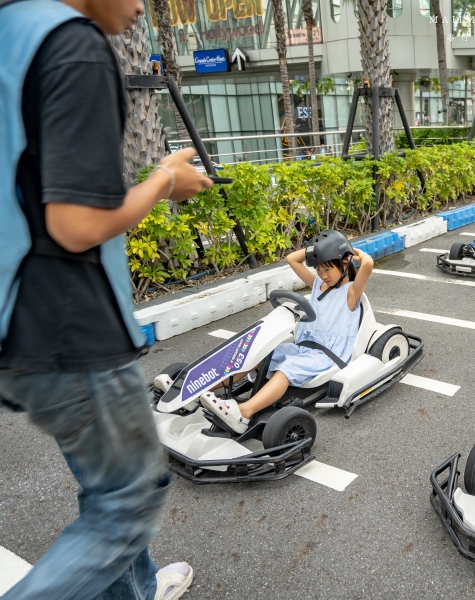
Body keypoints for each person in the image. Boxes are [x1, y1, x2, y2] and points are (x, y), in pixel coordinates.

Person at [0, 1, 214, 599]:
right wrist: (165, 181)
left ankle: (136, 591)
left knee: (106, 486)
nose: (143, 5)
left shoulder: (11, 30)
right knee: (127, 502)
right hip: (69, 327)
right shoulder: (75, 45)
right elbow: (74, 224)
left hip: (16, 319)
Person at [201, 230, 374, 433]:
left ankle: (243, 412)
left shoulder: (351, 293)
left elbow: (368, 265)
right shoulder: (319, 285)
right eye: (318, 269)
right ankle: (199, 392)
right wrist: (318, 250)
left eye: (327, 269)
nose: (323, 275)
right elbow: (292, 259)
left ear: (344, 264)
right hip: (303, 347)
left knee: (287, 369)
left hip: (326, 355)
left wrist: (351, 252)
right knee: (256, 354)